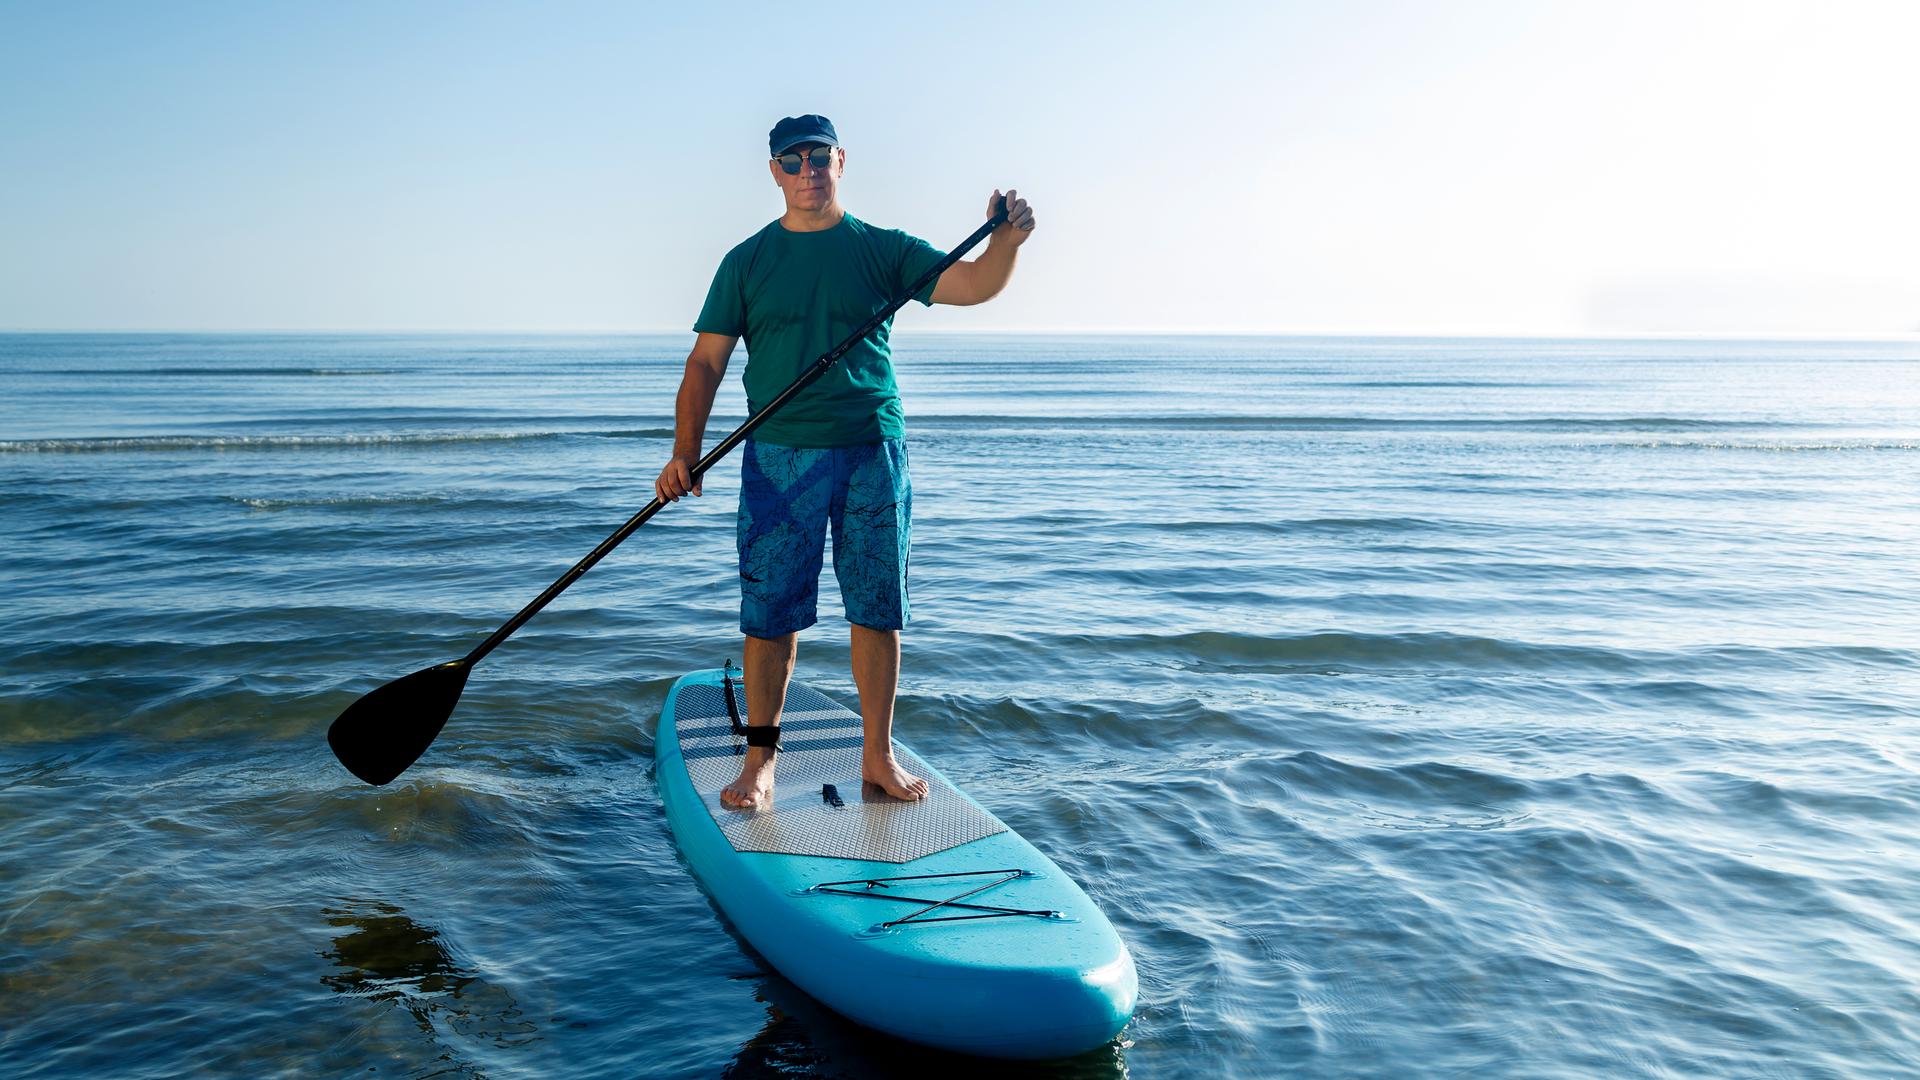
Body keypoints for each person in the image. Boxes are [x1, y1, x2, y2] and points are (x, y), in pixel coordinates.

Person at [655, 114, 1035, 810]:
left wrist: (1007, 241)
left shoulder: (882, 250)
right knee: (770, 615)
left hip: (870, 450)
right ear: (774, 170)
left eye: (818, 158)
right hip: (778, 457)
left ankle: (878, 756)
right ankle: (761, 762)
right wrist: (687, 452)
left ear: (841, 161)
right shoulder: (746, 261)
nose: (807, 171)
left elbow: (975, 284)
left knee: (876, 609)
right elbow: (706, 362)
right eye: (792, 160)